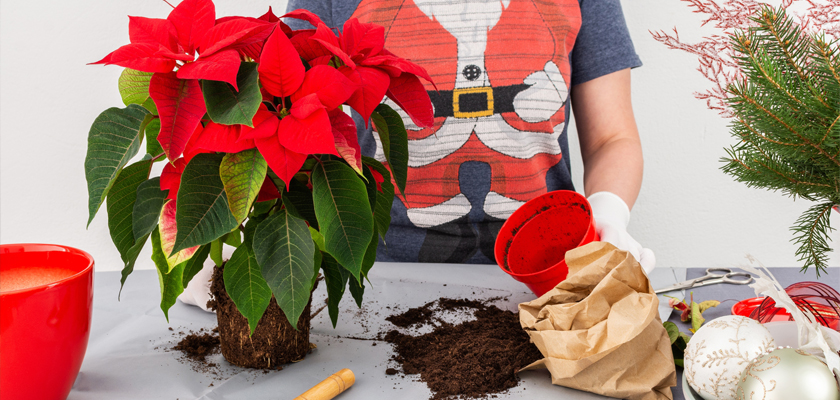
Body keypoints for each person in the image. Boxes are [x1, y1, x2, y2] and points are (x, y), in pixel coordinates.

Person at [179, 0, 654, 310]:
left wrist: (609, 218)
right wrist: (229, 231)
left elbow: (611, 137)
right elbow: (286, 115)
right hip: (373, 281)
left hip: (549, 280)